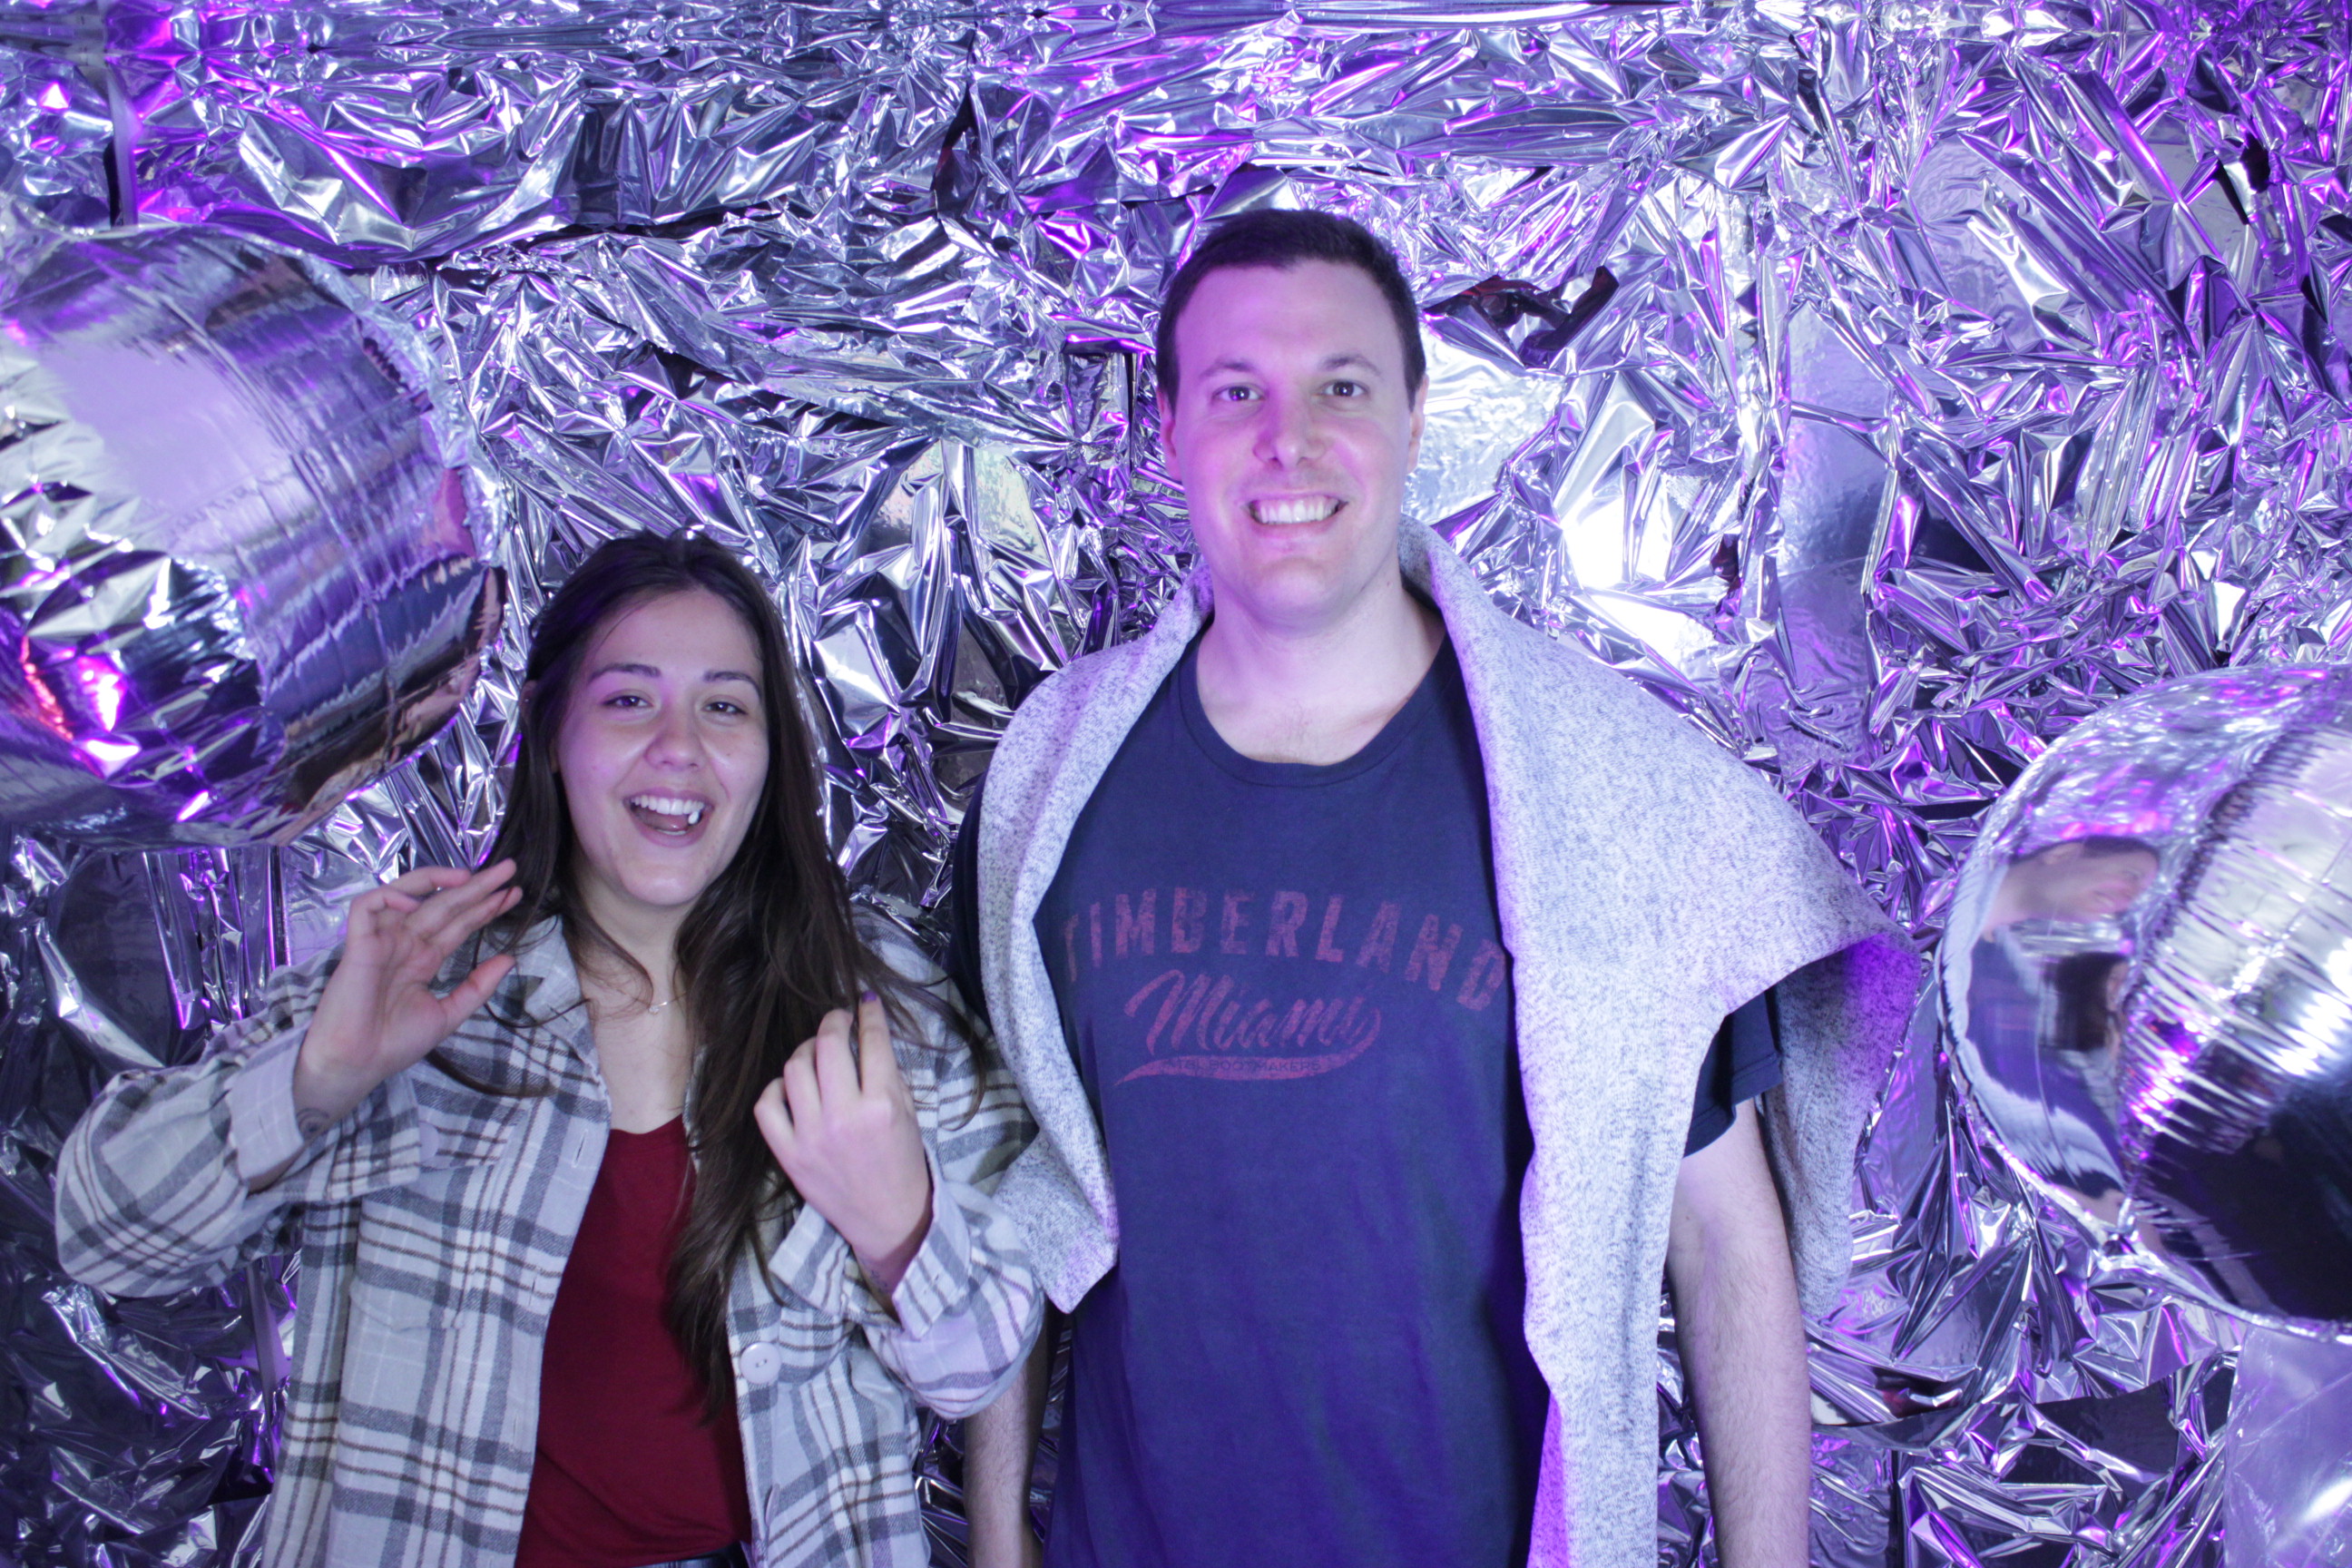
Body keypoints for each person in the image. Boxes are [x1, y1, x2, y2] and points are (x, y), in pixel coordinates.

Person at [950, 210, 1916, 1568]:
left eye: (1341, 386)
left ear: (1413, 420)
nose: (1289, 441)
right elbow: (1015, 1195)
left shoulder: (1599, 793)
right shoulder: (1055, 784)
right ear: (1167, 431)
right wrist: (999, 1541)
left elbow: (1721, 1240)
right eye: (1236, 392)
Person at [56, 533, 1042, 1568]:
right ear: (548, 729)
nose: (679, 747)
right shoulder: (414, 988)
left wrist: (899, 1229)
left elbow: (984, 1367)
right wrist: (317, 1078)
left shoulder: (875, 1001)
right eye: (628, 699)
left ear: (770, 751)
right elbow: (104, 1239)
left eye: (725, 706)